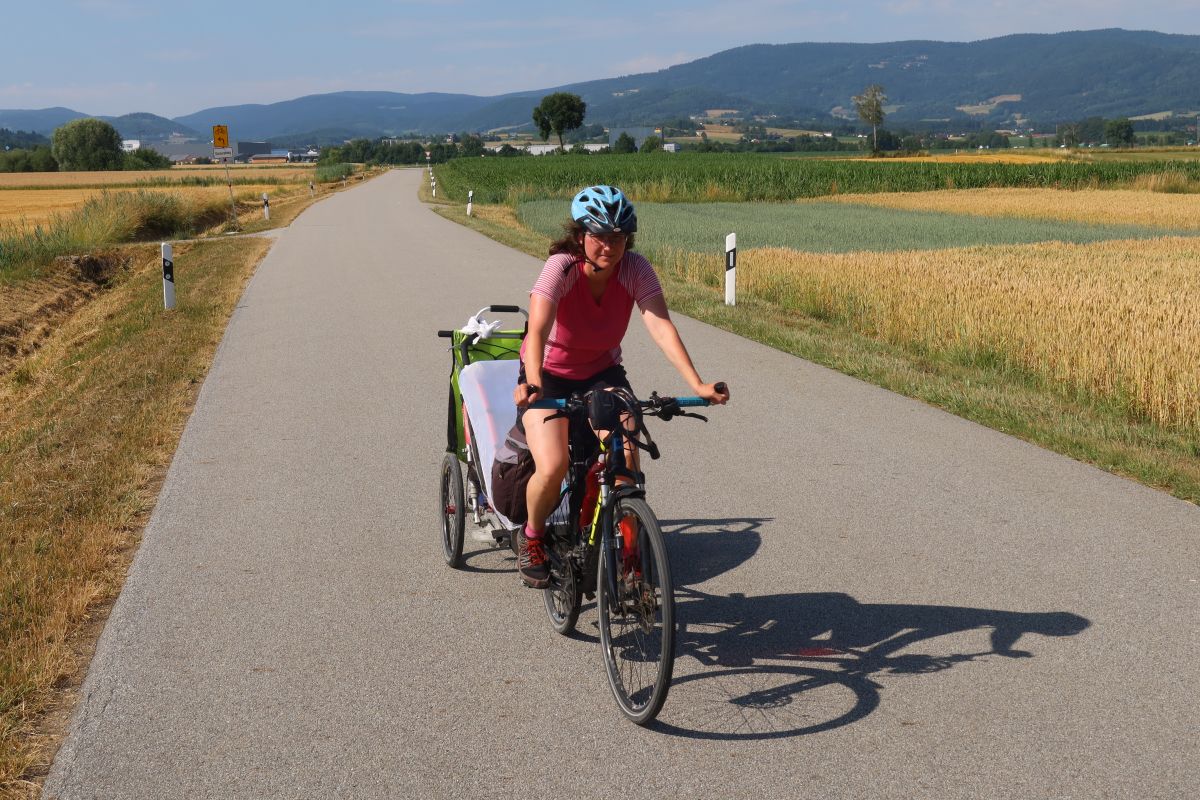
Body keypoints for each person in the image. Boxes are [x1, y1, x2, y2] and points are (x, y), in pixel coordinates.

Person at [513, 185, 730, 588]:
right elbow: (538, 328)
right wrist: (532, 381)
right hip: (549, 374)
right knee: (554, 464)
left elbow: (660, 325)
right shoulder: (560, 267)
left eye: (619, 237)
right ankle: (533, 537)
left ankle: (631, 557)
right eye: (599, 236)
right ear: (581, 236)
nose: (609, 246)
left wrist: (697, 383)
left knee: (626, 462)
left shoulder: (635, 269)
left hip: (602, 373)